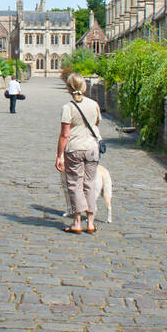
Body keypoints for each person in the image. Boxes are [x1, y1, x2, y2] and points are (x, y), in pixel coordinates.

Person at [56, 72, 102, 235]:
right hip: (91, 149)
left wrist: (59, 155)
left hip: (74, 148)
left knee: (75, 184)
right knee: (90, 184)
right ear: (84, 87)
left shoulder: (68, 107)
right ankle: (90, 222)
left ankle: (77, 222)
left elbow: (65, 135)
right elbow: (95, 124)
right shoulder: (94, 105)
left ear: (69, 88)